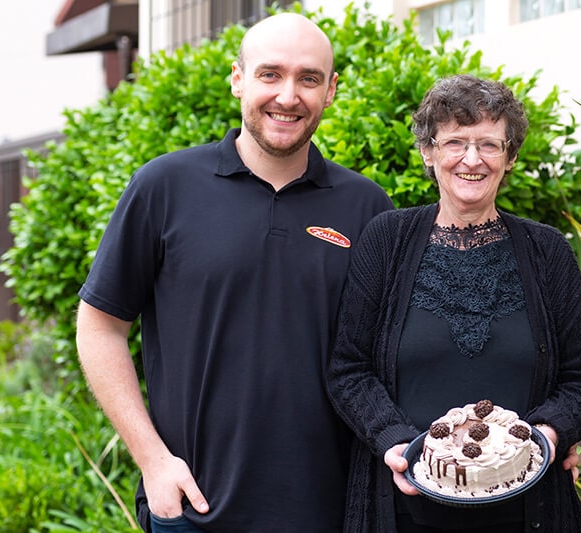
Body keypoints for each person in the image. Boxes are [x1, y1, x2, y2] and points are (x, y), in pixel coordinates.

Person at [75, 13, 393, 533]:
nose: (288, 96)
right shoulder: (165, 187)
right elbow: (100, 326)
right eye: (270, 74)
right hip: (193, 511)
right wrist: (153, 461)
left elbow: (397, 352)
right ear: (237, 78)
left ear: (331, 90)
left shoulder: (367, 206)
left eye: (308, 78)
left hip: (332, 513)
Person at [325, 74, 581, 532]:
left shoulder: (548, 251)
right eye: (455, 142)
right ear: (428, 151)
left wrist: (544, 440)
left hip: (527, 512)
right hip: (403, 508)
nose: (471, 160)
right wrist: (397, 445)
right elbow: (349, 369)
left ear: (510, 156)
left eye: (490, 145)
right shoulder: (386, 240)